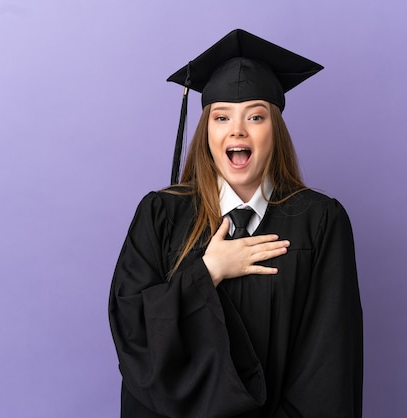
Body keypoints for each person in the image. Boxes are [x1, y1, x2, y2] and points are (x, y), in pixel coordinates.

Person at [109, 29, 363, 418]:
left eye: (256, 116)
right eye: (221, 116)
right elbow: (133, 331)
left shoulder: (319, 221)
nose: (237, 130)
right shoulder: (161, 214)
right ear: (207, 132)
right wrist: (207, 272)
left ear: (274, 130)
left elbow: (328, 361)